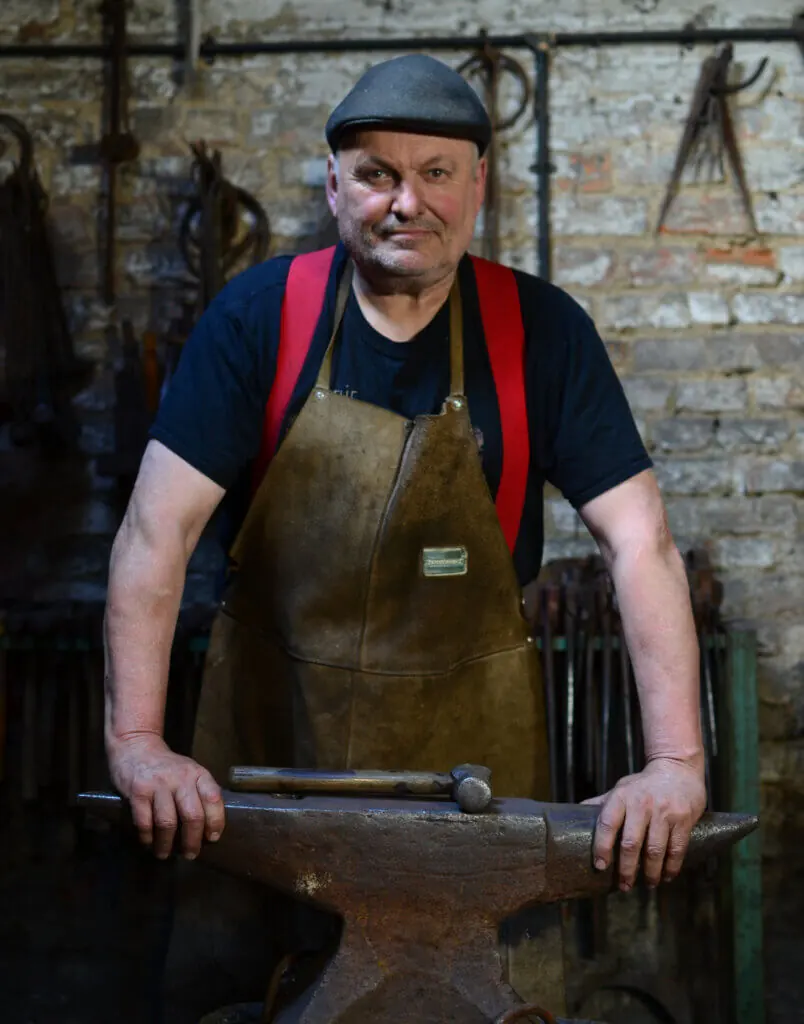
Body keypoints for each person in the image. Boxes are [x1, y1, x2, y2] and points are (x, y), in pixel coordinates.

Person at [103, 53, 706, 1016]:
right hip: (270, 755)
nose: (405, 202)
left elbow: (643, 545)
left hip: (474, 788)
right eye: (378, 172)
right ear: (334, 182)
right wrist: (138, 743)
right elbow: (152, 535)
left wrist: (677, 765)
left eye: (435, 173)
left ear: (479, 186)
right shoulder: (261, 319)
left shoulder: (540, 332)